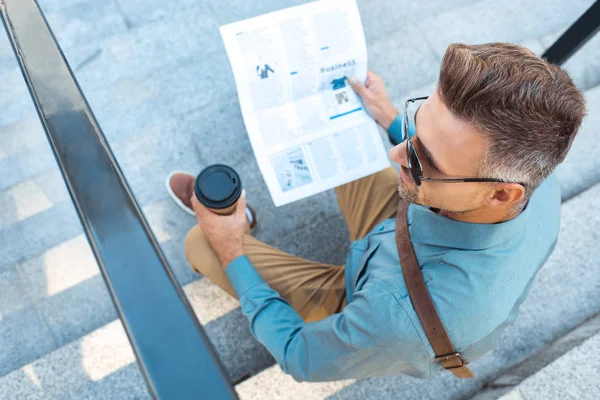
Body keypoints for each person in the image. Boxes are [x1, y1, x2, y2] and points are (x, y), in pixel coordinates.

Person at [168, 43, 586, 381]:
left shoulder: (397, 320)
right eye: (416, 125)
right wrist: (388, 116)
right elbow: (445, 156)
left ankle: (231, 230)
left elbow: (299, 354)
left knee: (200, 243)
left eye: (427, 160)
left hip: (387, 293)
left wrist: (230, 252)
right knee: (340, 144)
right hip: (405, 226)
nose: (395, 152)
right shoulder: (539, 179)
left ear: (500, 195)